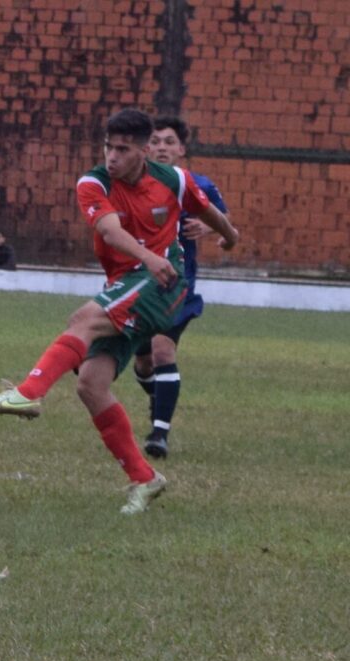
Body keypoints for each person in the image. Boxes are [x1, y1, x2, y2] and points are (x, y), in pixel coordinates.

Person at [0, 108, 238, 515]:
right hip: (130, 279)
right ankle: (145, 479)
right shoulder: (93, 182)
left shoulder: (174, 180)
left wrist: (230, 237)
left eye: (123, 149)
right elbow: (110, 231)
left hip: (163, 284)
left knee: (83, 320)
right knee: (91, 384)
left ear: (144, 151)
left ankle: (27, 394)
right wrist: (148, 256)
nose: (112, 156)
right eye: (108, 147)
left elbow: (207, 211)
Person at [134, 116, 231, 459]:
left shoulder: (197, 184)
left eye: (169, 142)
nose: (162, 147)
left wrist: (208, 230)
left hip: (178, 287)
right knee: (144, 363)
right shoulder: (133, 184)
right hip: (137, 287)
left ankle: (159, 434)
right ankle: (159, 397)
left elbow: (222, 219)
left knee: (163, 351)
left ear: (181, 149)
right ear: (146, 148)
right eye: (156, 141)